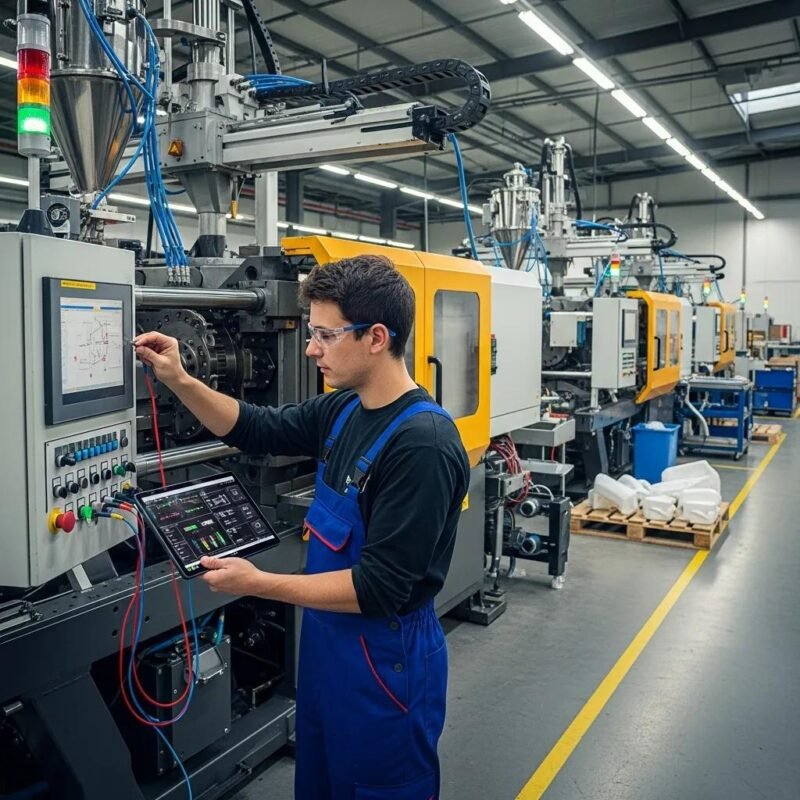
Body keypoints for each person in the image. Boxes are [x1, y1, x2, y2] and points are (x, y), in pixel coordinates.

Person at [133, 253, 470, 799]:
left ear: (376, 337)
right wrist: (179, 379)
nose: (311, 348)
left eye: (324, 335)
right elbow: (254, 428)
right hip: (328, 652)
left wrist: (257, 583)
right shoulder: (343, 411)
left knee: (379, 788)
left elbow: (379, 588)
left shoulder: (422, 445)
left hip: (387, 663)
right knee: (319, 782)